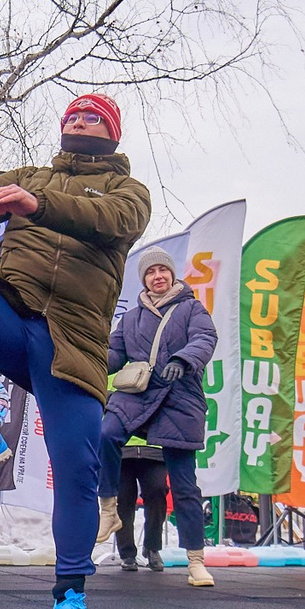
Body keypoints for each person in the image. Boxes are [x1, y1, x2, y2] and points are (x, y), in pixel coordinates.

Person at [0, 93, 152, 609]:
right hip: (15, 309)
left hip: (73, 344)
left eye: (92, 118)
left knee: (77, 470)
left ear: (112, 133)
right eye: (72, 116)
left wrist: (36, 205)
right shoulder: (30, 173)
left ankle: (70, 596)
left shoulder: (129, 192)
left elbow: (111, 220)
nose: (78, 122)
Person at [97, 246, 218, 587]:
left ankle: (196, 561)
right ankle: (108, 510)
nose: (158, 276)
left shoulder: (192, 308)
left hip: (179, 397)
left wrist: (184, 359)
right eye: (151, 272)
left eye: (163, 270)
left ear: (172, 274)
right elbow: (115, 353)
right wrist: (91, 357)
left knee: (183, 484)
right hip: (139, 393)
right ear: (145, 279)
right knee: (106, 433)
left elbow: (205, 337)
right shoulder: (131, 318)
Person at [115, 440, 169, 569]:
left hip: (154, 448)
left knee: (158, 490)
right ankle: (127, 553)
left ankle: (153, 546)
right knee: (123, 497)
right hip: (121, 448)